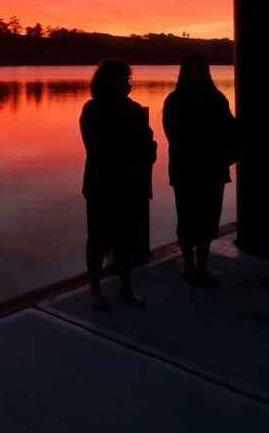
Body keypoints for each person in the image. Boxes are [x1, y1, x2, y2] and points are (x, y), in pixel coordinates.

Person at [80, 59, 157, 311]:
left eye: (128, 79)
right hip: (102, 183)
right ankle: (95, 289)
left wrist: (143, 165)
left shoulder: (134, 110)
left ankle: (126, 288)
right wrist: (131, 162)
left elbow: (148, 144)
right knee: (98, 239)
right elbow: (98, 147)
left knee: (125, 239)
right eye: (123, 79)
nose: (127, 83)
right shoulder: (92, 110)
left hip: (129, 185)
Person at [162, 55, 237, 285]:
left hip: (212, 170)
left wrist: (230, 153)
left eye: (204, 68)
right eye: (196, 69)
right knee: (187, 219)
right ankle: (189, 265)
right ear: (186, 72)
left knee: (208, 220)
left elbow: (231, 128)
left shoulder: (217, 98)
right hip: (187, 171)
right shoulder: (175, 101)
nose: (201, 72)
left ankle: (202, 266)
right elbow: (174, 136)